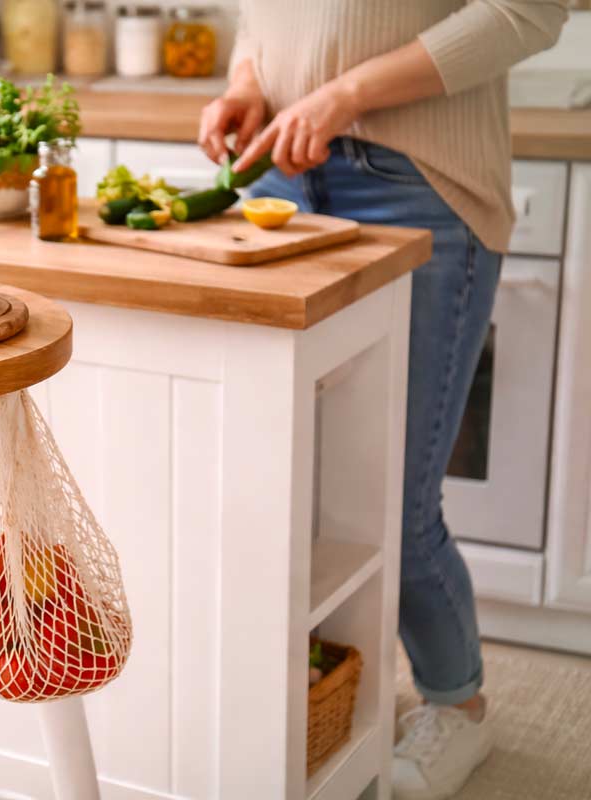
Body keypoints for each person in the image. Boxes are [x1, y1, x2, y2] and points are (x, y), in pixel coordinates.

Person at [198, 2, 568, 798]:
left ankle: (457, 705)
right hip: (279, 174)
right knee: (280, 491)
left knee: (391, 503)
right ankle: (334, 701)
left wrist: (345, 94)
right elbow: (264, 21)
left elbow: (527, 12)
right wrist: (248, 82)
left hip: (416, 182)